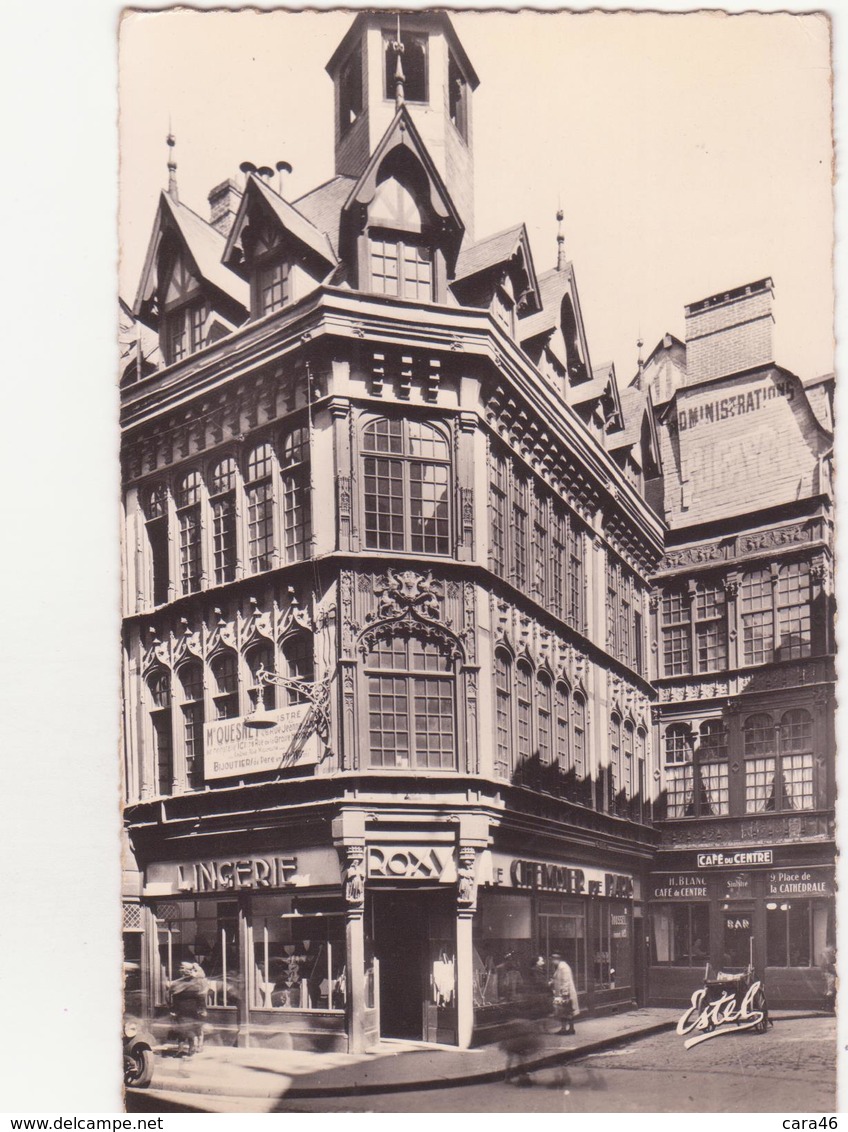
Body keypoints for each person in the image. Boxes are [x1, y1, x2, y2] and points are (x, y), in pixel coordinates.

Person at [168, 961, 209, 1054]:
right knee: (182, 1030)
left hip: (193, 1009)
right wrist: (173, 1009)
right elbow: (174, 998)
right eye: (181, 969)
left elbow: (201, 997)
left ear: (189, 971)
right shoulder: (177, 983)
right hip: (182, 1009)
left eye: (183, 969)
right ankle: (182, 1048)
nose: (181, 970)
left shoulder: (196, 982)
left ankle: (192, 1047)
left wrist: (202, 1009)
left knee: (193, 1029)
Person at [549, 953, 579, 1036]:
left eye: (552, 960)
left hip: (566, 993)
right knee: (567, 1011)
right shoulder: (561, 967)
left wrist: (565, 993)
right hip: (564, 993)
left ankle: (566, 1028)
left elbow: (566, 981)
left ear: (556, 959)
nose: (551, 962)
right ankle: (570, 1028)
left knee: (565, 1011)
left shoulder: (563, 967)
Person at [821, 945, 837, 1013]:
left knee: (827, 990)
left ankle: (825, 1006)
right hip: (830, 974)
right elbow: (830, 966)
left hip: (826, 973)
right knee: (831, 990)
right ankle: (829, 1007)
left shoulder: (823, 956)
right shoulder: (829, 959)